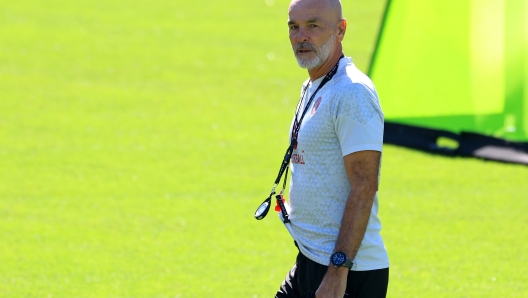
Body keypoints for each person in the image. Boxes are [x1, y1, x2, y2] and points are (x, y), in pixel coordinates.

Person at [274, 0, 389, 297]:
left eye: (313, 25)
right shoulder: (316, 83)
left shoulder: (352, 93)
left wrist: (338, 272)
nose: (301, 37)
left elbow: (364, 185)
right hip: (309, 261)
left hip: (348, 274)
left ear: (340, 30)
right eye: (294, 27)